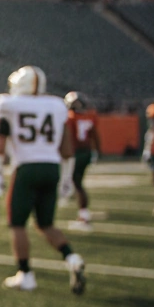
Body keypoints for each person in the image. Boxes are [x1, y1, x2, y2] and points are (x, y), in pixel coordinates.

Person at [0, 66, 85, 294]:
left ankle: (25, 274)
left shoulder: (7, 104)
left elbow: (0, 144)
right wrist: (65, 179)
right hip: (52, 167)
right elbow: (67, 150)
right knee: (46, 223)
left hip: (26, 168)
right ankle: (72, 258)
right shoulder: (57, 105)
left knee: (17, 224)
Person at [61, 92, 100, 230]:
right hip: (87, 152)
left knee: (77, 183)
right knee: (76, 182)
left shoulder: (70, 118)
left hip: (76, 153)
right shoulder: (89, 116)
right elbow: (94, 136)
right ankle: (80, 210)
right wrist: (95, 151)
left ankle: (84, 215)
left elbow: (67, 138)